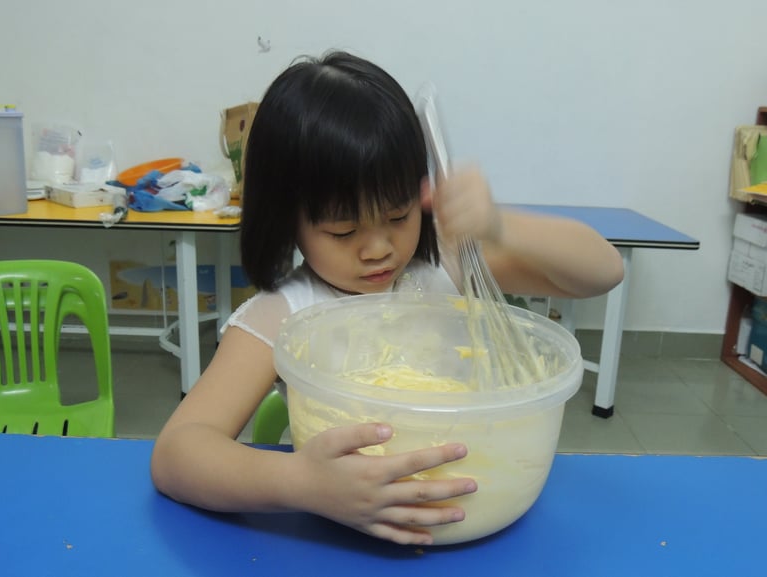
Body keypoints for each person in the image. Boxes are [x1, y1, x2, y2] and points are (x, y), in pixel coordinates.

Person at [150, 51, 624, 546]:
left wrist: (502, 224)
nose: (379, 249)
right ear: (288, 221)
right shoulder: (283, 316)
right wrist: (302, 483)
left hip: (473, 505)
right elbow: (177, 453)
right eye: (343, 230)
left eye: (399, 216)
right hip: (346, 537)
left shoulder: (444, 264)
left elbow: (602, 271)